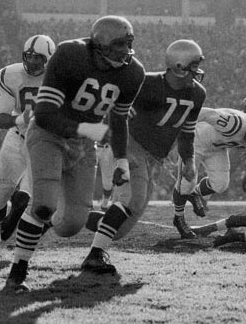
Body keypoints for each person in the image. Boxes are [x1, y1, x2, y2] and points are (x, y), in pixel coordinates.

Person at [5, 15, 145, 291]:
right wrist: (86, 128)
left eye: (127, 44)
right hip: (48, 136)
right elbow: (44, 116)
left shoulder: (133, 71)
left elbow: (119, 119)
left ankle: (33, 221)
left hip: (82, 146)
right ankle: (17, 270)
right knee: (44, 204)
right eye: (118, 45)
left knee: (71, 225)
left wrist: (121, 160)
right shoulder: (71, 55)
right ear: (101, 44)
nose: (124, 51)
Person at [85, 39, 207, 241]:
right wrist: (117, 148)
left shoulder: (197, 93)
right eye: (194, 66)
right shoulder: (147, 84)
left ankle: (75, 218)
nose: (197, 72)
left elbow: (187, 132)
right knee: (135, 197)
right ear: (179, 66)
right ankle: (95, 254)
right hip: (133, 145)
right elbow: (117, 113)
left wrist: (189, 160)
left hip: (155, 157)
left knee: (120, 230)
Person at [0, 34, 55, 260]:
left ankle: (22, 246)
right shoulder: (9, 74)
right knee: (0, 191)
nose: (32, 62)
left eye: (38, 58)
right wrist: (22, 118)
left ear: (49, 59)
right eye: (28, 56)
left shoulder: (59, 77)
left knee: (28, 198)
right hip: (17, 136)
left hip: (45, 142)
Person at [180, 107, 246, 237]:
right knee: (186, 182)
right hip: (198, 139)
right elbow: (207, 113)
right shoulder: (234, 124)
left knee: (221, 184)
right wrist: (184, 124)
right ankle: (179, 218)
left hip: (217, 147)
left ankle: (196, 193)